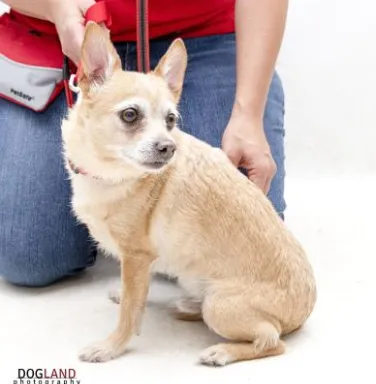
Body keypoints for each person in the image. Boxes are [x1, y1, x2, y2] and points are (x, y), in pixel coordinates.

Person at [0, 0, 288, 287]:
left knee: (242, 252)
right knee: (30, 257)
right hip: (61, 32)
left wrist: (248, 114)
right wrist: (56, 9)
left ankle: (130, 224)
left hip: (201, 36)